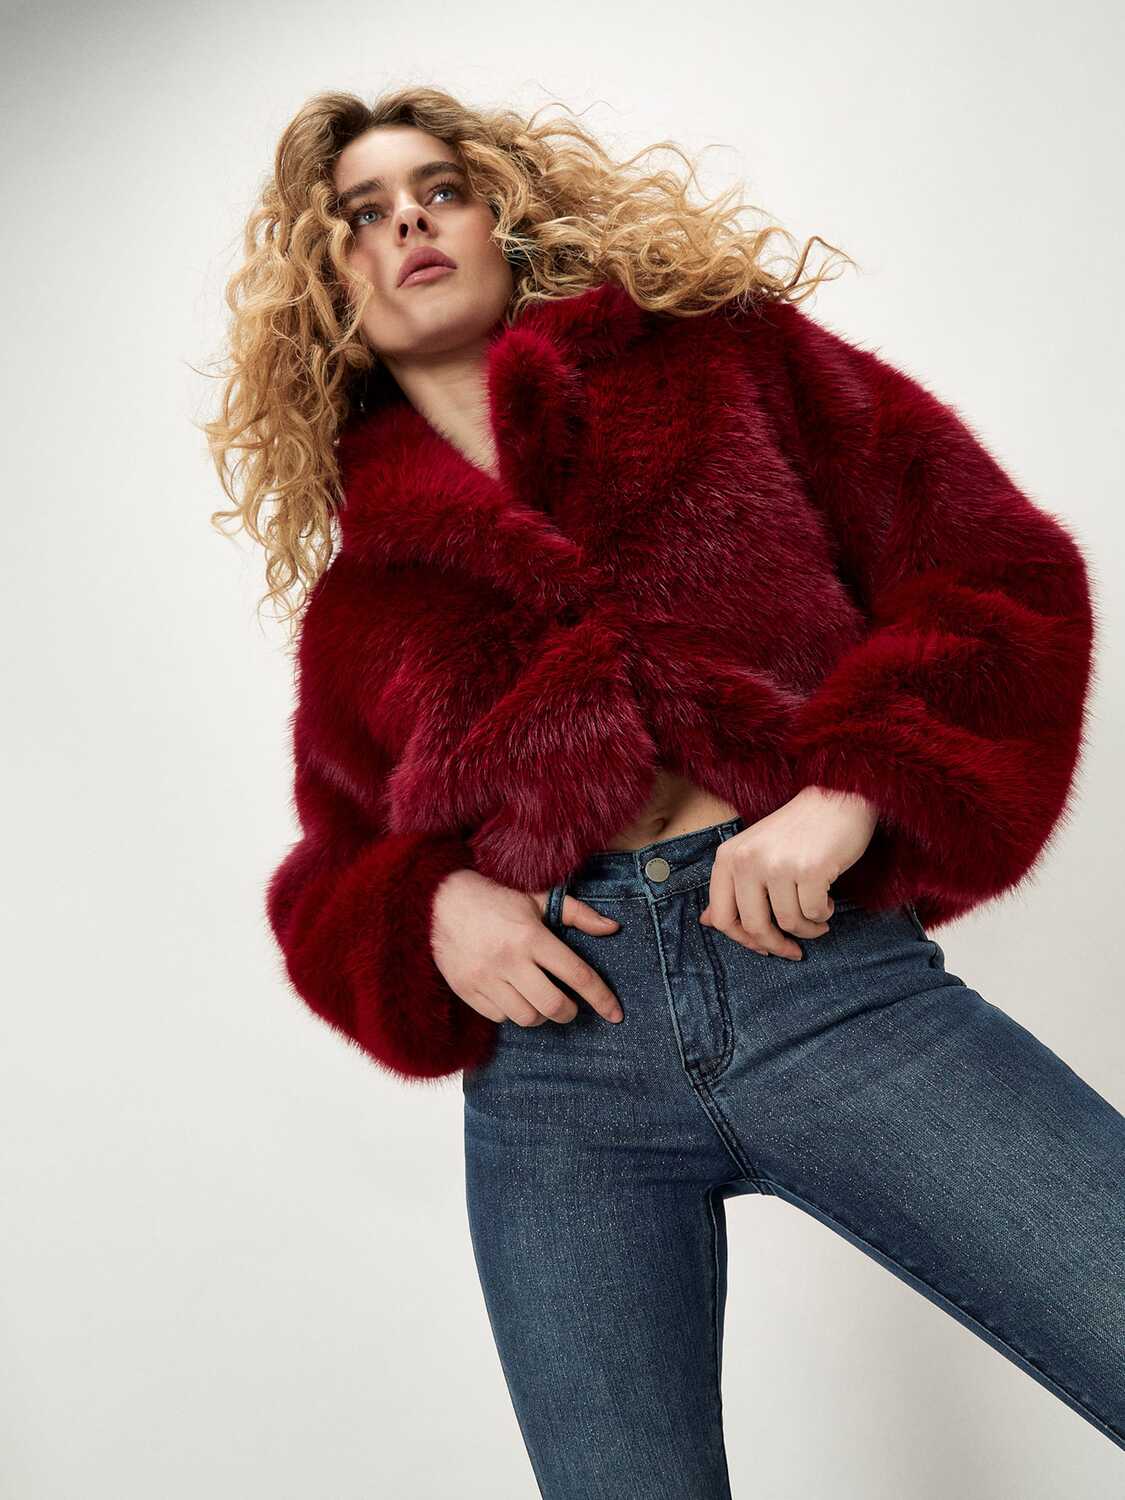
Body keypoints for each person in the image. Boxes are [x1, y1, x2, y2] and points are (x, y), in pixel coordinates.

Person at [204, 85, 1125, 1492]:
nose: (407, 225)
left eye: (439, 190)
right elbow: (333, 862)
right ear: (327, 286)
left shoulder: (724, 364)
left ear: (506, 217)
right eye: (360, 216)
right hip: (559, 1078)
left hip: (826, 987)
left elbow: (999, 573)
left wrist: (852, 787)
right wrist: (431, 907)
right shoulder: (366, 591)